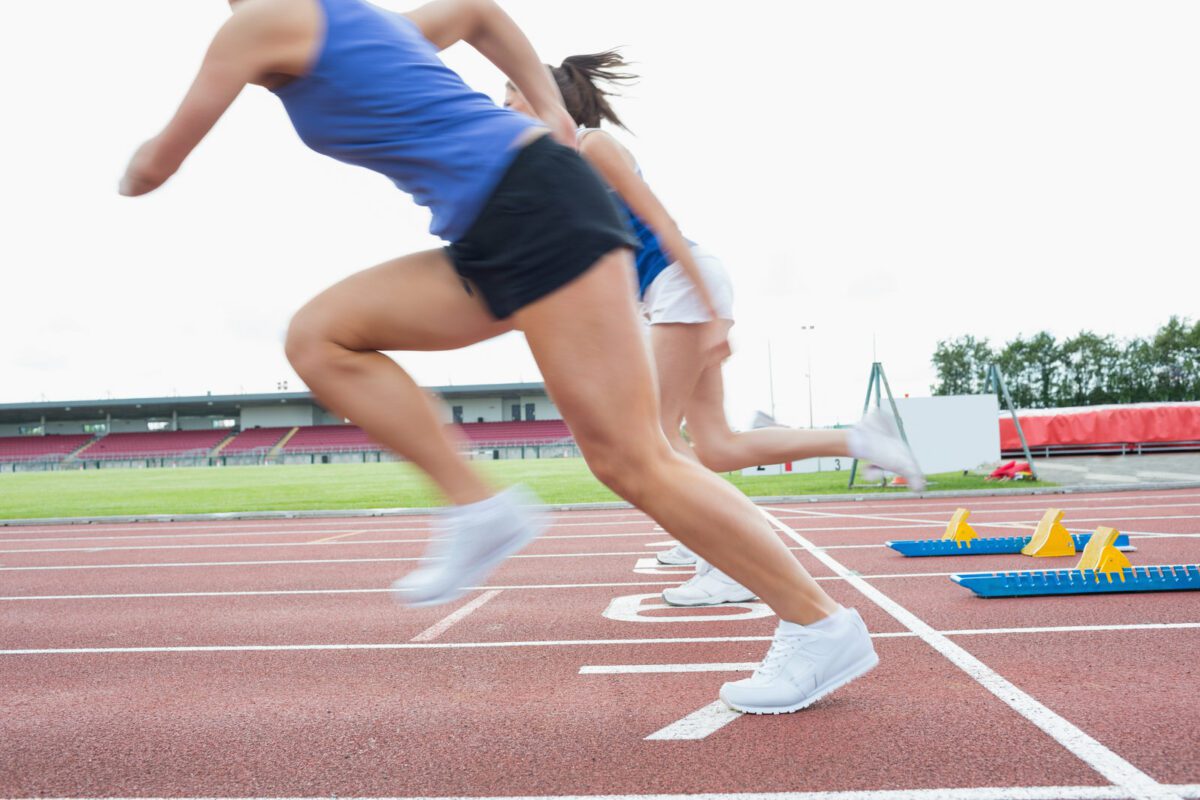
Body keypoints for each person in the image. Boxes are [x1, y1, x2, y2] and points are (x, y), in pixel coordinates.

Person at [120, 0, 878, 714]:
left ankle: (819, 626)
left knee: (634, 458)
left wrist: (128, 172)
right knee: (320, 336)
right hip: (495, 228)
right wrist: (549, 116)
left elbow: (158, 163)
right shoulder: (366, 28)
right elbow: (478, 10)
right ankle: (477, 507)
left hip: (534, 210)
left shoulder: (261, 20)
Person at [504, 51, 925, 607]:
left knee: (652, 440)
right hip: (671, 293)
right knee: (717, 446)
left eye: (509, 88)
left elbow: (664, 224)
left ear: (541, 95)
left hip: (685, 282)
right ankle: (858, 439)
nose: (502, 100)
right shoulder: (561, 164)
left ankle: (729, 562)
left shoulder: (593, 146)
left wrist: (713, 317)